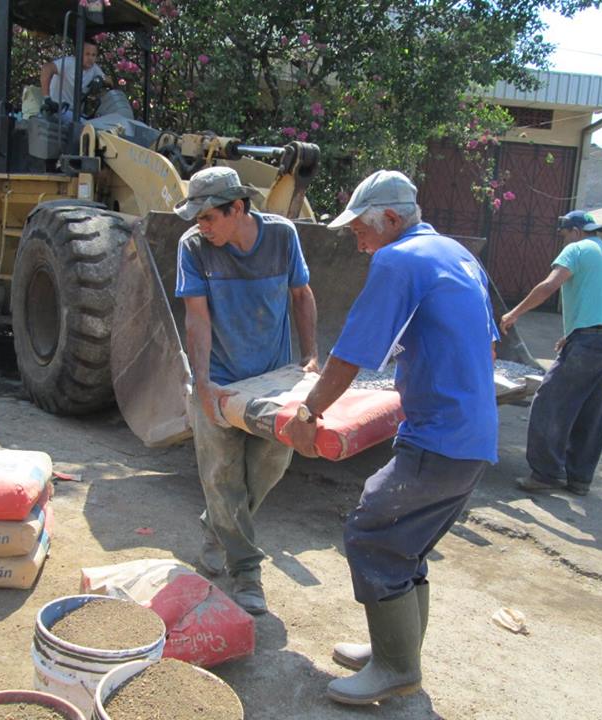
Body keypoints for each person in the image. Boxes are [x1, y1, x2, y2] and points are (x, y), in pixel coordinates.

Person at [280, 170, 498, 705]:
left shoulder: (397, 259)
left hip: (439, 437)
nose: (357, 240)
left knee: (373, 531)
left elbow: (350, 354)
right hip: (471, 432)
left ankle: (397, 668)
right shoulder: (454, 253)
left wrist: (308, 413)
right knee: (407, 545)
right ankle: (394, 653)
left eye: (360, 229)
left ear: (393, 220)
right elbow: (487, 347)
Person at [174, 166, 319, 615]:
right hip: (219, 381)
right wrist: (203, 384)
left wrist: (311, 357)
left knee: (270, 467)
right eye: (197, 219)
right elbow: (196, 317)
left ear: (236, 208)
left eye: (208, 217)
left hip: (274, 382)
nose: (201, 227)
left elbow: (301, 296)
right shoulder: (193, 248)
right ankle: (247, 573)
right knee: (221, 476)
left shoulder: (281, 237)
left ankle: (216, 526)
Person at [500, 210, 602, 496]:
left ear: (576, 231)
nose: (564, 240)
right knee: (592, 412)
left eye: (565, 234)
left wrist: (514, 313)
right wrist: (572, 335)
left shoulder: (577, 249)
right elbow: (599, 302)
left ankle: (546, 474)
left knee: (548, 402)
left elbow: (549, 286)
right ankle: (580, 479)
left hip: (589, 343)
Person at [39, 37, 107, 117]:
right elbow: (47, 68)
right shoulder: (69, 63)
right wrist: (47, 98)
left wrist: (101, 79)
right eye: (87, 54)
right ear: (79, 53)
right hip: (55, 110)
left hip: (73, 114)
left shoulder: (94, 68)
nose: (90, 58)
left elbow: (109, 80)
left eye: (93, 55)